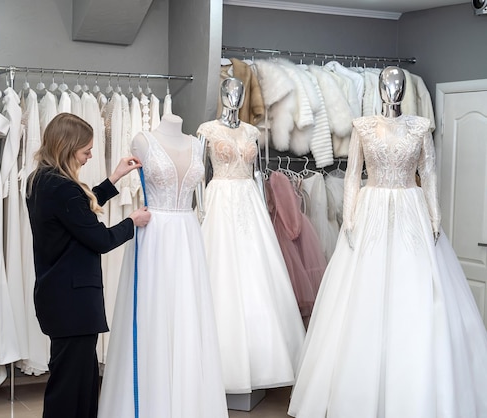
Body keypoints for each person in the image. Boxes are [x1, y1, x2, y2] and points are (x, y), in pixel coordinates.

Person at [287, 66, 487, 418]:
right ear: (379, 90)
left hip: (412, 211)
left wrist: (435, 217)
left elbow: (429, 174)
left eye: (397, 85)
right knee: (363, 297)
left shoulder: (420, 127)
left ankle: (414, 391)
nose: (392, 90)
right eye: (386, 84)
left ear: (403, 89)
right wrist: (349, 217)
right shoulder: (363, 126)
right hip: (372, 209)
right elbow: (352, 177)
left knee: (416, 295)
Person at [97, 114, 228, 418]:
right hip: (153, 233)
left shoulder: (197, 144)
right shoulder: (143, 141)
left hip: (187, 235)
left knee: (187, 315)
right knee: (152, 314)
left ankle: (188, 404)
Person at [26, 112, 151, 418]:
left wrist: (113, 179)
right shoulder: (63, 188)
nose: (90, 155)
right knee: (71, 387)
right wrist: (131, 222)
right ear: (67, 149)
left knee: (77, 382)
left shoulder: (42, 180)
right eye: (85, 151)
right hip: (73, 303)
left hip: (60, 299)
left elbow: (76, 213)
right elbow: (99, 239)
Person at [198, 77, 305, 395]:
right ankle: (218, 363)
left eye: (238, 92)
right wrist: (200, 208)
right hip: (217, 199)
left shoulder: (251, 132)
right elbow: (197, 173)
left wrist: (262, 207)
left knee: (256, 275)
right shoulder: (207, 130)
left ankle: (263, 359)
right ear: (221, 94)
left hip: (249, 202)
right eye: (228, 91)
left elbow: (258, 173)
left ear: (243, 96)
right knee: (220, 272)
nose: (233, 96)